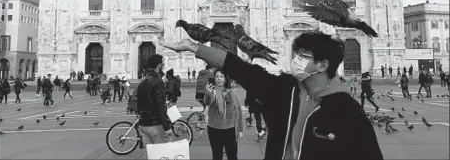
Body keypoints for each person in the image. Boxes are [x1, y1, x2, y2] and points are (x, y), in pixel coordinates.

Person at [159, 31, 384, 160]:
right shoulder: (285, 91)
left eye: (302, 55)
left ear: (323, 64)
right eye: (295, 54)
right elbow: (244, 70)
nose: (295, 60)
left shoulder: (348, 111)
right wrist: (194, 47)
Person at [136, 54, 173, 160]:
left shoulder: (143, 81)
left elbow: (138, 103)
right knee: (161, 155)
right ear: (159, 65)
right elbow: (160, 106)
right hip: (155, 125)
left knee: (148, 155)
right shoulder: (157, 81)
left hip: (143, 124)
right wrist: (167, 126)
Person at [204, 69, 244, 160]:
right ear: (214, 79)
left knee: (232, 156)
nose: (219, 79)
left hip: (230, 129)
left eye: (221, 76)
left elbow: (238, 111)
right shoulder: (212, 92)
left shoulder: (232, 93)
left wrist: (240, 129)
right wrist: (207, 93)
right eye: (217, 76)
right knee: (217, 156)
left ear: (225, 79)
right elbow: (206, 102)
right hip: (214, 129)